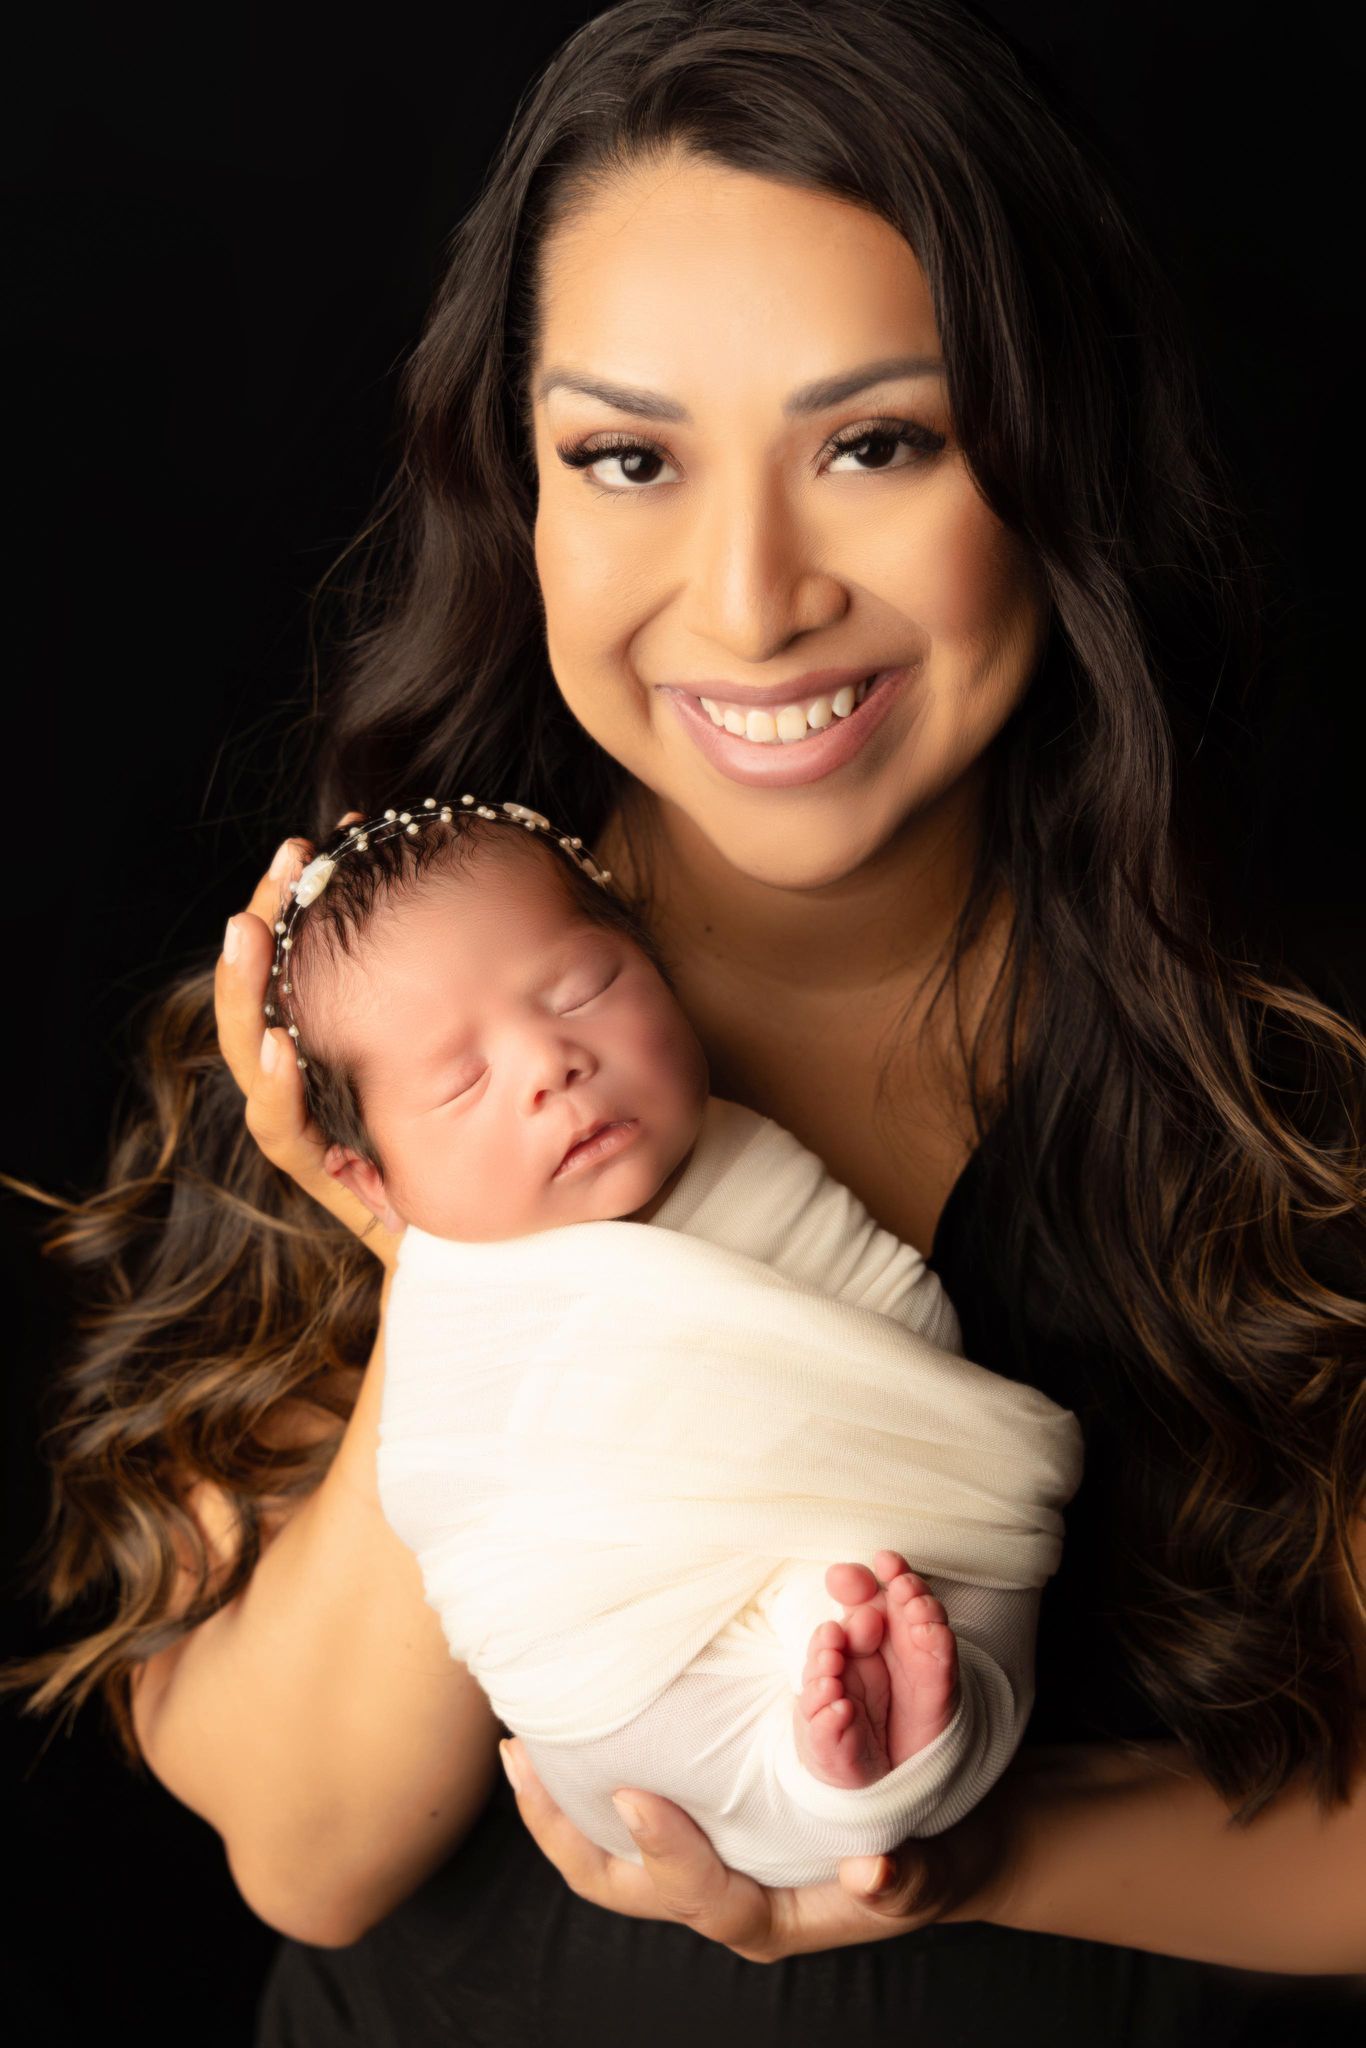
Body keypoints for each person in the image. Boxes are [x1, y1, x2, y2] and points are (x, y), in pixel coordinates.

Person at [7, 2, 1363, 2040]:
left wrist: (965, 1857)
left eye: (875, 443)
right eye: (627, 457)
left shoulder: (1285, 1077)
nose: (745, 599)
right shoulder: (384, 1029)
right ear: (517, 490)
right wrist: (443, 1258)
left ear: (1046, 454)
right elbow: (309, 1842)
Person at [273, 799, 1081, 1887]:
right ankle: (831, 1760)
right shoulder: (460, 1305)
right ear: (371, 1180)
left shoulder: (742, 1151)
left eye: (582, 990)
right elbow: (466, 1505)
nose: (551, 1063)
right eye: (461, 1081)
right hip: (629, 1653)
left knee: (941, 1601)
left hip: (885, 1545)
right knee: (633, 1726)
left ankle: (887, 1748)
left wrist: (843, 1494)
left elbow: (899, 1334)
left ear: (659, 968)